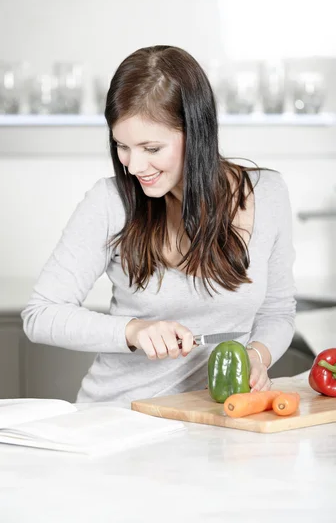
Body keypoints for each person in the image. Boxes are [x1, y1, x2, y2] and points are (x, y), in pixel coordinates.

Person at [21, 45, 296, 404]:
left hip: (215, 418)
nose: (133, 167)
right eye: (122, 146)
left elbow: (278, 312)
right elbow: (41, 315)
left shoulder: (267, 194)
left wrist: (257, 355)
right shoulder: (110, 201)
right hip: (118, 416)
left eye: (151, 149)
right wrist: (134, 331)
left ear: (197, 133)